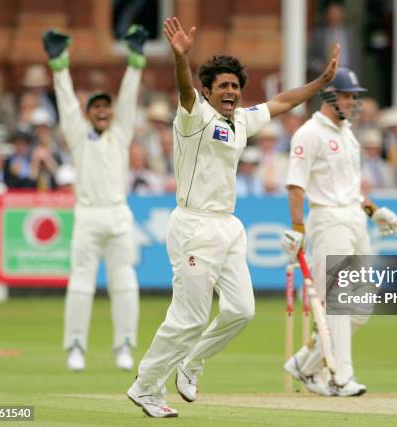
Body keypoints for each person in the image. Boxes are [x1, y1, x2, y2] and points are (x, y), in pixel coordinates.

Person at [127, 16, 342, 418]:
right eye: (222, 86)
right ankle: (145, 386)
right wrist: (180, 59)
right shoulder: (194, 117)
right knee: (188, 317)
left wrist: (320, 84)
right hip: (193, 224)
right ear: (207, 90)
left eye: (235, 86)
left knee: (242, 310)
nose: (230, 91)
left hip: (228, 225)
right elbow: (184, 90)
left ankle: (190, 362)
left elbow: (282, 103)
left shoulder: (241, 119)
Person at [282, 67, 397, 397]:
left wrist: (374, 211)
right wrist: (297, 228)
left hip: (354, 219)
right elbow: (296, 185)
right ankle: (340, 376)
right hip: (327, 219)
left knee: (361, 303)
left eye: (354, 96)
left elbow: (349, 186)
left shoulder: (347, 132)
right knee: (338, 301)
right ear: (330, 96)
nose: (352, 102)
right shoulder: (309, 133)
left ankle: (305, 365)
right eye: (347, 95)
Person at [42, 24, 149, 372]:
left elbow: (130, 98)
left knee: (125, 283)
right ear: (89, 114)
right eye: (96, 107)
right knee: (81, 283)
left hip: (118, 215)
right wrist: (59, 66)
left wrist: (136, 63)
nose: (103, 111)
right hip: (87, 216)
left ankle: (124, 345)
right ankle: (75, 346)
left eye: (107, 106)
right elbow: (67, 103)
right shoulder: (77, 135)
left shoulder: (120, 133)